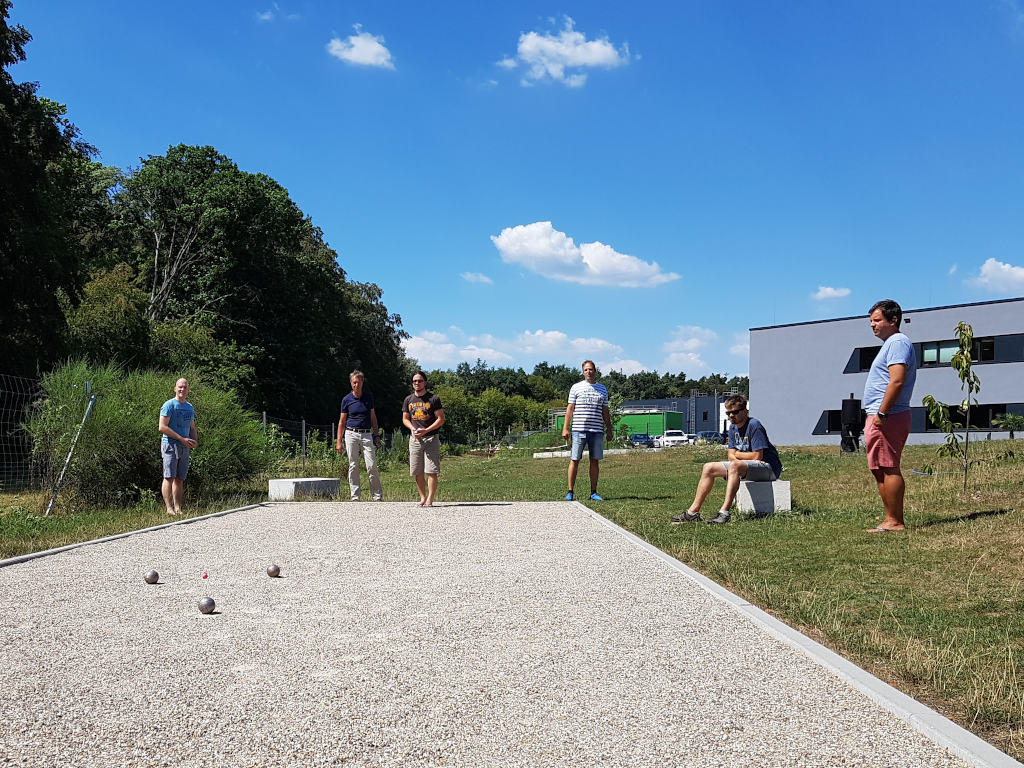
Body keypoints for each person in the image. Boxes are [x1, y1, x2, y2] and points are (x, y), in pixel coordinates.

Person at [671, 394, 781, 525]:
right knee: (708, 467)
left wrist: (738, 454)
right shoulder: (733, 427)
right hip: (745, 466)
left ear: (745, 411)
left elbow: (757, 456)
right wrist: (739, 456)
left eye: (735, 412)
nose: (731, 416)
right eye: (728, 413)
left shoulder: (754, 425)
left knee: (734, 466)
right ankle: (692, 513)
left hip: (769, 468)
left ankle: (724, 513)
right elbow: (730, 455)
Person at [863, 299, 917, 533]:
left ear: (893, 320)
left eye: (877, 320)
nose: (872, 325)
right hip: (879, 414)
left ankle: (895, 521)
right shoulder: (890, 344)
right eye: (871, 321)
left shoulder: (897, 342)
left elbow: (897, 380)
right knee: (878, 467)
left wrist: (882, 413)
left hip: (887, 415)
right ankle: (889, 518)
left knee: (887, 465)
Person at [561, 360, 614, 501]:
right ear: (583, 372)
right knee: (575, 459)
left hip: (596, 430)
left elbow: (605, 411)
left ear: (595, 371)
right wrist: (565, 428)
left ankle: (594, 492)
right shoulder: (576, 388)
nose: (588, 372)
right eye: (586, 370)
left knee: (594, 461)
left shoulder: (602, 389)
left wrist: (609, 429)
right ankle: (570, 492)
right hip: (579, 429)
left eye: (591, 369)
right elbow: (570, 409)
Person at [335, 370, 383, 502]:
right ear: (351, 383)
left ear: (362, 382)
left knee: (371, 465)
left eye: (358, 382)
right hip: (351, 434)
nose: (356, 385)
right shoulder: (346, 400)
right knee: (353, 465)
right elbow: (342, 422)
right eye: (354, 382)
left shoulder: (368, 397)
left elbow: (373, 417)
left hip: (367, 434)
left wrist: (376, 434)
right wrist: (339, 441)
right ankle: (355, 496)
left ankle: (377, 496)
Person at [402, 371, 445, 507]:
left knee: (431, 470)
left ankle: (430, 500)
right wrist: (412, 428)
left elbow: (441, 419)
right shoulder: (408, 400)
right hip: (415, 439)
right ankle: (422, 497)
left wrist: (426, 430)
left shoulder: (433, 399)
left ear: (425, 383)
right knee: (417, 471)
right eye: (414, 381)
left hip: (430, 438)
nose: (417, 383)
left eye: (420, 381)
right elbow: (405, 419)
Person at [158, 377, 197, 516]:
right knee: (169, 476)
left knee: (180, 478)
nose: (182, 389)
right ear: (175, 388)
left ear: (188, 390)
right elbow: (162, 427)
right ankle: (169, 508)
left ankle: (178, 508)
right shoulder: (169, 405)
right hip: (170, 445)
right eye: (180, 387)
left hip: (185, 447)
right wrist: (181, 438)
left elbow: (192, 427)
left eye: (185, 387)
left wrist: (194, 440)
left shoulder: (189, 407)